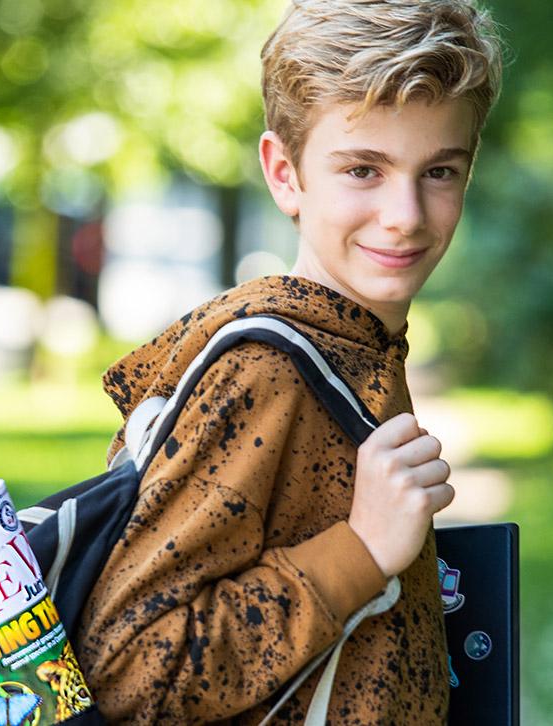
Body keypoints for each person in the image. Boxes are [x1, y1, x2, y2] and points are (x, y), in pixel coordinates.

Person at [74, 0, 504, 722]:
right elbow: (129, 674)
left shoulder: (360, 343)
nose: (405, 213)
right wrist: (361, 550)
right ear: (285, 172)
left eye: (439, 171)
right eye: (364, 170)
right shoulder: (265, 373)